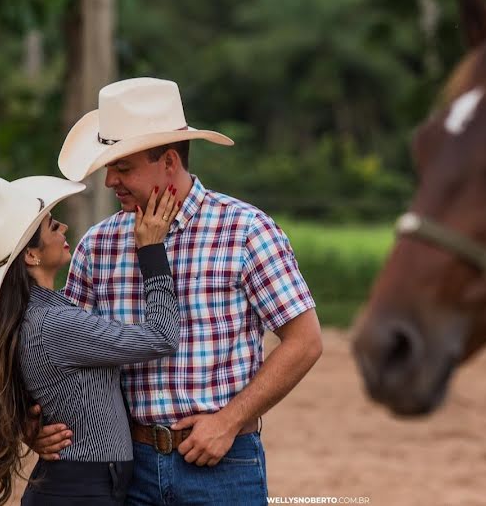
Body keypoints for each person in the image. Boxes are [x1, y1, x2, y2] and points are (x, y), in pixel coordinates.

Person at [31, 77, 323, 505]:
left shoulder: (245, 231)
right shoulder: (97, 245)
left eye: (123, 167)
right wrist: (31, 424)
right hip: (125, 467)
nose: (110, 180)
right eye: (109, 167)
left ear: (169, 161)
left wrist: (229, 420)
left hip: (224, 464)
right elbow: (66, 358)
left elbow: (306, 342)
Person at [0, 175, 184, 505]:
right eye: (52, 226)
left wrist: (29, 426)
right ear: (31, 256)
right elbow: (162, 337)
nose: (63, 227)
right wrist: (151, 251)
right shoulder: (55, 324)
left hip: (78, 484)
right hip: (82, 488)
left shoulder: (39, 315)